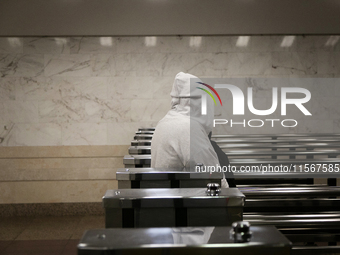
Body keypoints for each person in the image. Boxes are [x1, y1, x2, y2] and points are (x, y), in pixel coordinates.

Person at [151, 72, 229, 187]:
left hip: (165, 196)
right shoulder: (188, 128)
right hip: (183, 200)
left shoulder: (165, 122)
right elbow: (214, 174)